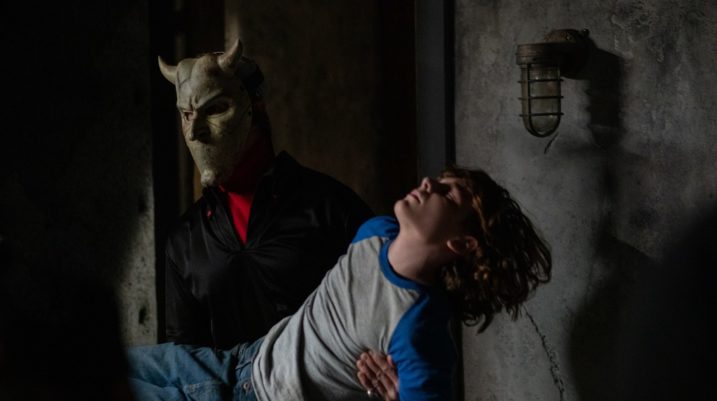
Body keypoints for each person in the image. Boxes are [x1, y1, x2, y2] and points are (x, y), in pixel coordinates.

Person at [127, 167, 552, 401]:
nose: (429, 183)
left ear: (461, 243)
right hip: (238, 361)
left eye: (448, 193)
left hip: (257, 398)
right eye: (440, 177)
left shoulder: (417, 328)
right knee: (103, 365)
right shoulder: (376, 231)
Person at [157, 39, 373, 349]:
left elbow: (381, 308)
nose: (195, 131)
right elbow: (183, 357)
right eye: (187, 114)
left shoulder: (331, 208)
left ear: (256, 108)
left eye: (214, 109)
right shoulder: (185, 240)